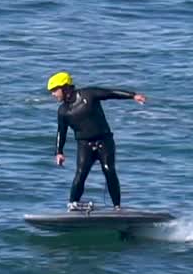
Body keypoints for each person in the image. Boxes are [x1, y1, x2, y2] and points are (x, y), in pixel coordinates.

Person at [46, 71, 146, 210]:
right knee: (81, 173)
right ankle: (72, 204)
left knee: (109, 170)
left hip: (104, 141)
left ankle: (117, 207)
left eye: (54, 90)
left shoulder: (88, 94)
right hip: (84, 145)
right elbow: (61, 132)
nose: (53, 94)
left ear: (65, 87)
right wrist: (59, 152)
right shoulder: (63, 111)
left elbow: (110, 93)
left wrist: (133, 95)